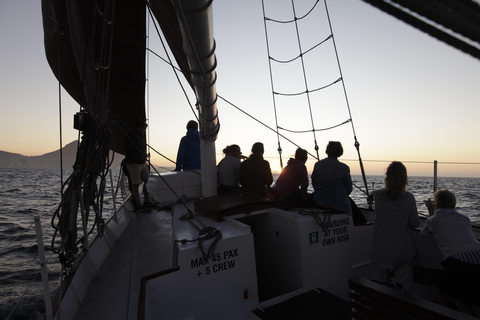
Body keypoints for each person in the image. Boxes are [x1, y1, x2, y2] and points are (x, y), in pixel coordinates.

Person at [421, 189, 480, 315]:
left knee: (444, 294)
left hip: (458, 260)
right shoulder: (464, 218)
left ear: (437, 204)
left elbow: (423, 233)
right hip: (477, 256)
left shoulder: (433, 220)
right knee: (464, 298)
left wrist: (431, 210)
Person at [371, 161, 420, 294]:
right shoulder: (409, 198)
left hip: (380, 250)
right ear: (405, 178)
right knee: (404, 289)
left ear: (387, 176)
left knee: (379, 287)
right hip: (402, 251)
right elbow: (415, 223)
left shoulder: (377, 195)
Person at [310, 141, 366, 224]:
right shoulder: (344, 168)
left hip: (319, 202)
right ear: (340, 151)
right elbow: (349, 189)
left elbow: (314, 183)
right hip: (337, 205)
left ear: (327, 151)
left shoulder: (317, 165)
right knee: (355, 211)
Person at [123, 120, 151, 209]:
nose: (144, 131)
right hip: (133, 164)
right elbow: (129, 150)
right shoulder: (130, 137)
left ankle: (147, 202)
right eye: (143, 128)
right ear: (139, 127)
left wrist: (144, 156)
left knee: (147, 181)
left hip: (142, 164)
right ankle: (139, 206)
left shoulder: (140, 137)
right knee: (135, 184)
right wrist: (139, 157)